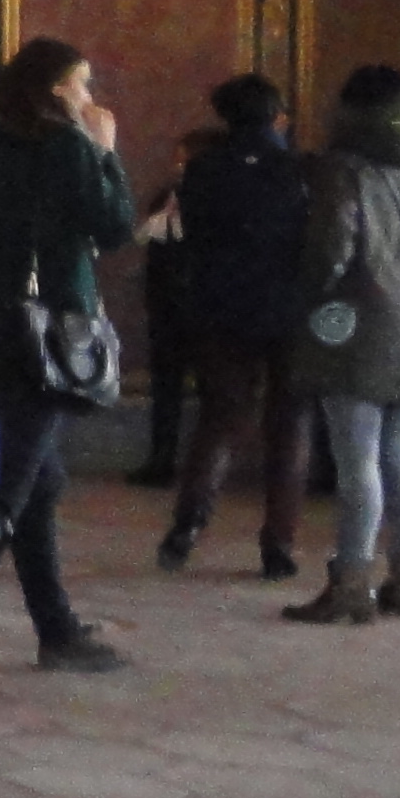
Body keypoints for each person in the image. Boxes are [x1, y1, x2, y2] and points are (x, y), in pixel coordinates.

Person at [0, 38, 138, 672]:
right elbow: (114, 225)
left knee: (38, 482)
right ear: (57, 88)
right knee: (4, 492)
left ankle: (55, 627)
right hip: (44, 338)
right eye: (82, 83)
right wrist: (104, 152)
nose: (88, 95)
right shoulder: (66, 147)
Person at [285, 62, 400, 624]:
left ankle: (351, 583)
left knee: (356, 455)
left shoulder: (344, 169)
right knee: (399, 450)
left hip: (359, 319)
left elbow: (333, 249)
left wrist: (307, 294)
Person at [161, 76, 313, 580]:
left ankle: (187, 526)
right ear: (278, 116)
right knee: (289, 424)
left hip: (220, 306)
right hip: (290, 308)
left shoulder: (202, 169)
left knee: (220, 418)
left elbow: (192, 238)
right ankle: (279, 544)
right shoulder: (300, 170)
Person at [125, 136, 209, 489]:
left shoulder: (214, 199)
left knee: (210, 390)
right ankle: (162, 459)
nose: (178, 167)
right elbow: (151, 243)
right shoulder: (166, 197)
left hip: (204, 306)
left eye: (184, 160)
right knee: (165, 387)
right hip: (167, 305)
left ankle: (203, 466)